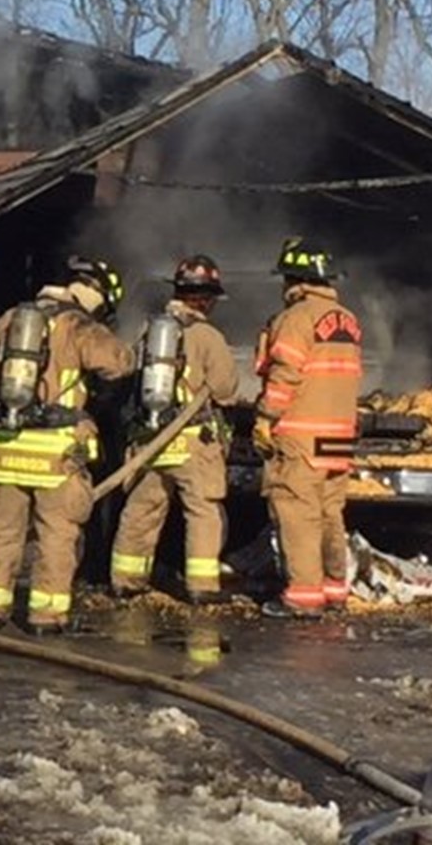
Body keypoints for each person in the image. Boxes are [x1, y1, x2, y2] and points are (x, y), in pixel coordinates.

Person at [0, 256, 136, 633]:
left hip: (5, 447)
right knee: (57, 537)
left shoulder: (10, 319)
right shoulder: (78, 325)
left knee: (0, 532)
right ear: (97, 294)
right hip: (54, 454)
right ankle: (46, 617)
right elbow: (119, 364)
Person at [112, 255, 240, 604]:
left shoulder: (149, 332)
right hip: (193, 443)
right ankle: (201, 587)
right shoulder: (208, 336)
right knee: (202, 512)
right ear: (209, 298)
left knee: (142, 510)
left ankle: (126, 580)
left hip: (151, 440)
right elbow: (226, 390)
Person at [253, 237, 363, 619]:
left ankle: (303, 596)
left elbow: (285, 374)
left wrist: (266, 418)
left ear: (296, 281)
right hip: (338, 434)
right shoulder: (347, 320)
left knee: (298, 511)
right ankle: (335, 589)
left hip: (300, 433)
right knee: (330, 511)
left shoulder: (295, 319)